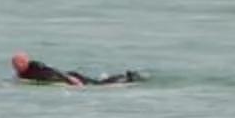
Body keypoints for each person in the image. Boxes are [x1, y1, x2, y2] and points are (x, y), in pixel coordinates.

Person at [11, 51, 139, 86]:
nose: (15, 66)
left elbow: (53, 70)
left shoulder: (35, 66)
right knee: (97, 83)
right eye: (14, 64)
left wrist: (70, 79)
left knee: (97, 85)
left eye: (18, 63)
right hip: (67, 78)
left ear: (25, 61)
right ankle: (124, 78)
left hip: (70, 78)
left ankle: (127, 78)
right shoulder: (22, 73)